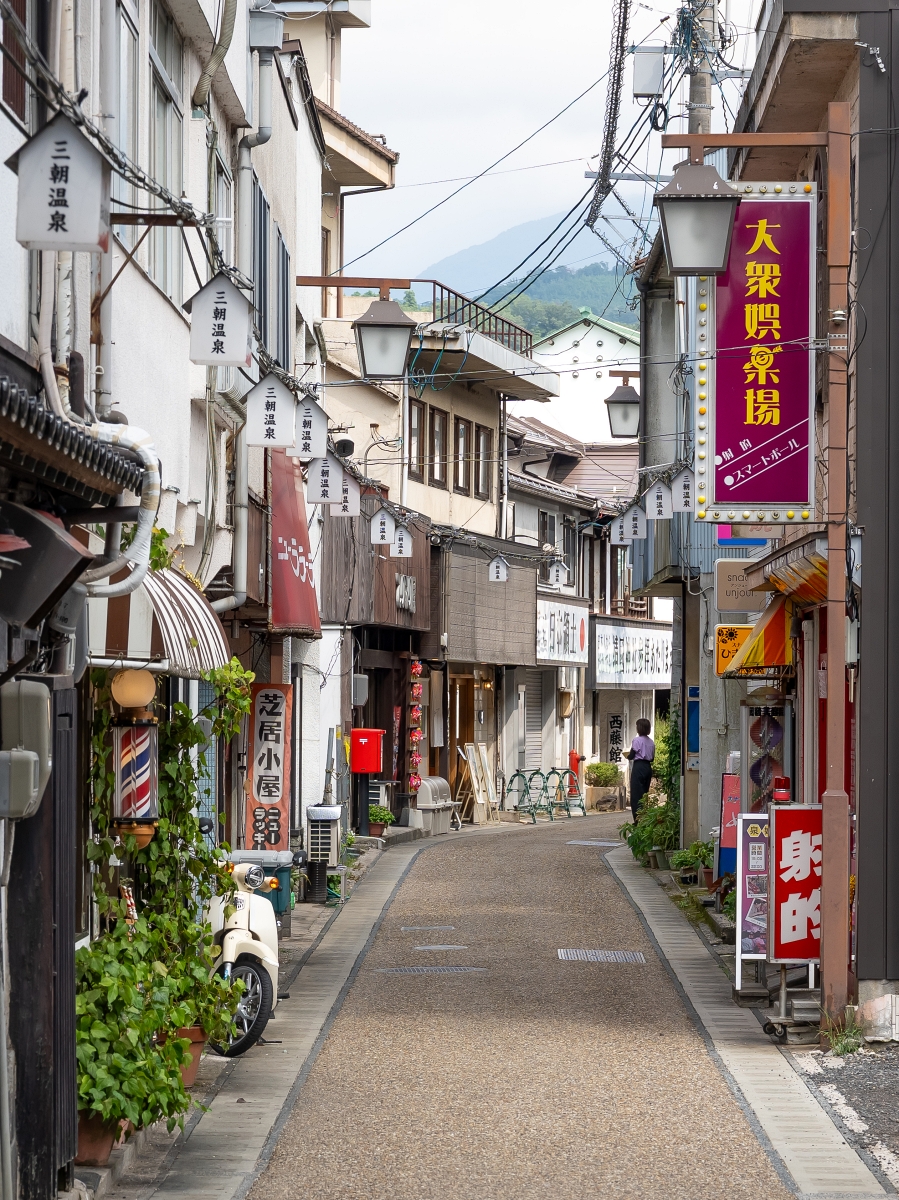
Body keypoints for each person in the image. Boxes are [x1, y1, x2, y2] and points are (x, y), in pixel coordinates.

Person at [626, 718, 655, 824]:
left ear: (639, 728)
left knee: (636, 795)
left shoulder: (636, 740)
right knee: (644, 795)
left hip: (638, 766)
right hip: (647, 767)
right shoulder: (651, 742)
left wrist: (628, 756)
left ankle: (637, 821)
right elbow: (652, 758)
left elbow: (632, 755)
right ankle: (644, 818)